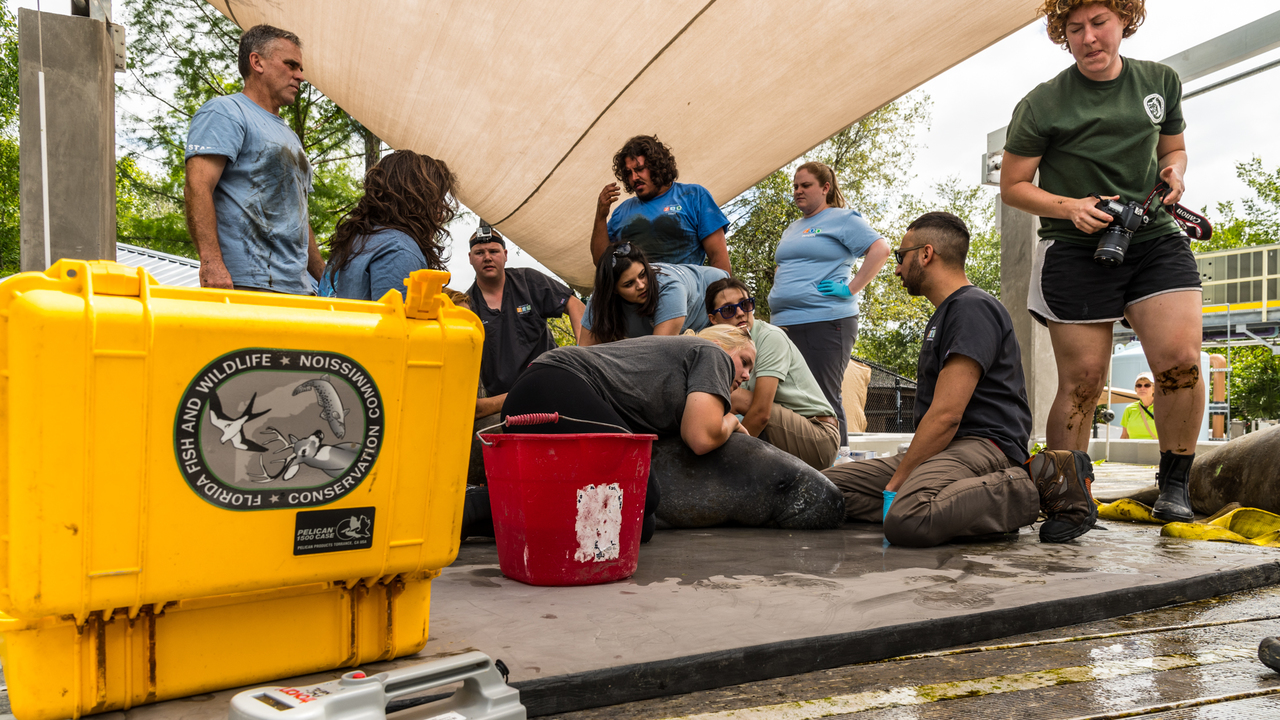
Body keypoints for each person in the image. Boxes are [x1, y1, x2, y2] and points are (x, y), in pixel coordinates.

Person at [1000, 0, 1202, 523]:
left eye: (1099, 23)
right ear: (1062, 35)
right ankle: (1068, 497)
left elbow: (1172, 149)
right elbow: (1013, 186)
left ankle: (1175, 483)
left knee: (1180, 362)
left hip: (1152, 235)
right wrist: (1072, 207)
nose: (1089, 38)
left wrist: (1174, 174)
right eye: (1075, 29)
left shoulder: (1160, 81)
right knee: (1084, 380)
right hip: (1074, 247)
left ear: (1123, 23)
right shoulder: (1042, 104)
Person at [822, 212, 1097, 547]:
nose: (896, 268)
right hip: (945, 451)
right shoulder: (947, 312)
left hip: (984, 446)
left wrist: (898, 482)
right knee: (819, 490)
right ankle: (942, 502)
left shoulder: (972, 307)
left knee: (908, 518)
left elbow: (947, 414)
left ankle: (1035, 482)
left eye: (900, 256)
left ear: (926, 254)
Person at [461, 325, 756, 542]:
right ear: (720, 343)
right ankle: (474, 505)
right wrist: (731, 420)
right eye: (745, 362)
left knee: (639, 525)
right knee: (643, 496)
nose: (745, 376)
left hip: (539, 393)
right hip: (556, 386)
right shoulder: (712, 353)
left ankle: (478, 514)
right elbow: (701, 437)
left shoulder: (679, 366)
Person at [185, 25, 322, 294]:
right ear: (256, 62)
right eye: (291, 65)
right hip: (247, 282)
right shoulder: (226, 111)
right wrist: (211, 263)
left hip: (299, 287)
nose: (300, 76)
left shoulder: (288, 135)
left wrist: (323, 275)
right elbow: (197, 186)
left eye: (301, 68)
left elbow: (298, 215)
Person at [768, 162, 891, 442]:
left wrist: (850, 289)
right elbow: (784, 265)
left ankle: (838, 470)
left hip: (825, 320)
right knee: (788, 401)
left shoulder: (842, 219)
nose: (798, 191)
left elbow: (880, 249)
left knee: (823, 397)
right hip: (784, 324)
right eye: (795, 186)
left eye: (806, 185)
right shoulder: (793, 228)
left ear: (825, 188)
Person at [706, 277, 840, 470]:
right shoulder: (722, 345)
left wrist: (727, 465)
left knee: (734, 397)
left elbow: (761, 414)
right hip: (783, 430)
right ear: (713, 319)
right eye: (728, 310)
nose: (740, 313)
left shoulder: (770, 337)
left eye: (745, 304)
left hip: (819, 437)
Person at [466, 225, 585, 417]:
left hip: (552, 391)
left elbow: (575, 304)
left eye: (493, 251)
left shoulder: (528, 281)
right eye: (479, 252)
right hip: (502, 407)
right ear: (470, 258)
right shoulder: (467, 307)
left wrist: (583, 352)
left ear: (505, 254)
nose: (487, 257)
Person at [319, 150, 457, 301]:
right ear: (419, 199)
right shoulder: (399, 250)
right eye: (438, 201)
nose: (441, 213)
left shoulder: (354, 240)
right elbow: (397, 322)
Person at [591, 135, 731, 272]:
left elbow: (718, 257)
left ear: (657, 166)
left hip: (685, 291)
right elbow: (602, 262)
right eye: (628, 173)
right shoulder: (621, 212)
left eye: (640, 169)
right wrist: (601, 215)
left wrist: (723, 294)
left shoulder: (694, 196)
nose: (634, 178)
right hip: (637, 292)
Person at [579, 243, 727, 345]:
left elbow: (656, 356)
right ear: (613, 290)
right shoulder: (599, 301)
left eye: (643, 274)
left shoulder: (669, 288)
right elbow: (585, 355)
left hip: (720, 301)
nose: (641, 285)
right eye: (629, 284)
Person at [1119, 372, 1158, 439]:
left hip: (1156, 449)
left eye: (1147, 385)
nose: (1142, 388)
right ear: (1136, 389)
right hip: (1133, 449)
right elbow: (1124, 436)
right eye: (1139, 385)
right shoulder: (1129, 409)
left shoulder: (1163, 408)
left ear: (1154, 388)